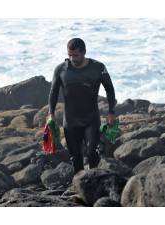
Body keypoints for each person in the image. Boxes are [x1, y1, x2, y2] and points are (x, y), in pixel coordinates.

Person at [48, 38, 117, 174]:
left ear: (84, 52)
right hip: (70, 120)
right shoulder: (61, 69)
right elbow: (53, 92)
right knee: (76, 158)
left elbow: (110, 89)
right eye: (70, 55)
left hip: (91, 118)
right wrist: (51, 113)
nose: (72, 59)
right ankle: (80, 184)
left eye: (76, 55)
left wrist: (111, 112)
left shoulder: (98, 68)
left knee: (92, 153)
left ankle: (95, 179)